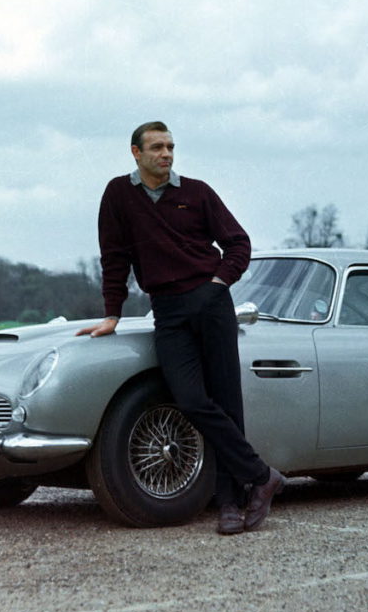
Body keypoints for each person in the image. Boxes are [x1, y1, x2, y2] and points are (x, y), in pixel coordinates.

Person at [76, 121, 285, 535]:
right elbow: (114, 256)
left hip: (210, 303)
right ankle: (262, 477)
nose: (166, 154)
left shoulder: (197, 192)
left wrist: (218, 283)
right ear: (135, 153)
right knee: (190, 399)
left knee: (227, 403)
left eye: (170, 146)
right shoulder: (119, 194)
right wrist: (112, 314)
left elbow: (238, 243)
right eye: (156, 147)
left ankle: (229, 504)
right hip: (167, 310)